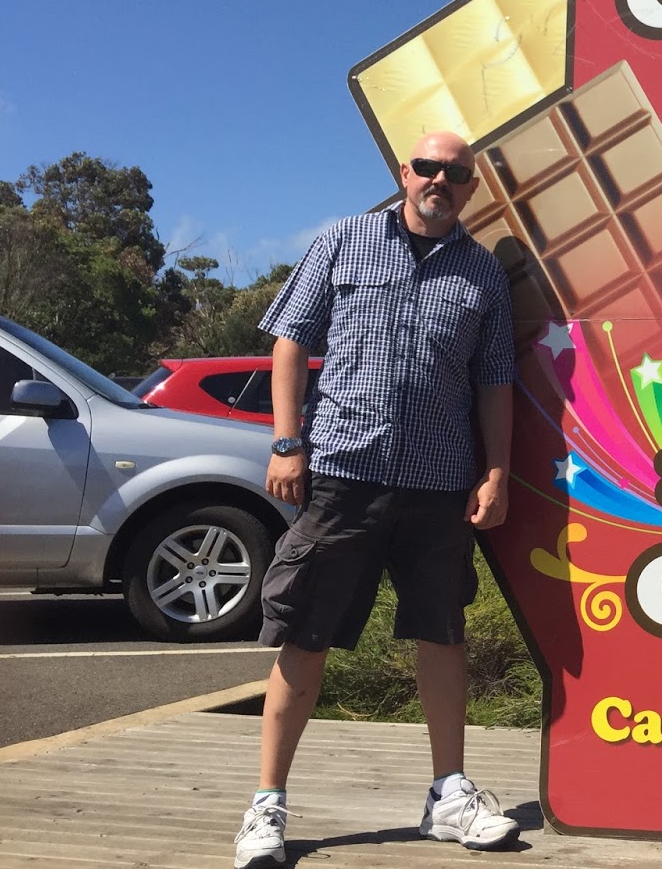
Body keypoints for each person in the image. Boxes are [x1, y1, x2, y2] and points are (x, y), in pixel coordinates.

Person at [233, 131, 519, 869]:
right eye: (429, 168)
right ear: (405, 173)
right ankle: (267, 805)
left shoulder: (483, 273)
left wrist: (497, 473)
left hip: (439, 482)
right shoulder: (342, 240)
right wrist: (287, 442)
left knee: (442, 631)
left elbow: (494, 382)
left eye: (457, 174)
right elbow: (290, 342)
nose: (441, 181)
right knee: (306, 631)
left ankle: (448, 796)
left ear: (470, 188)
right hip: (343, 472)